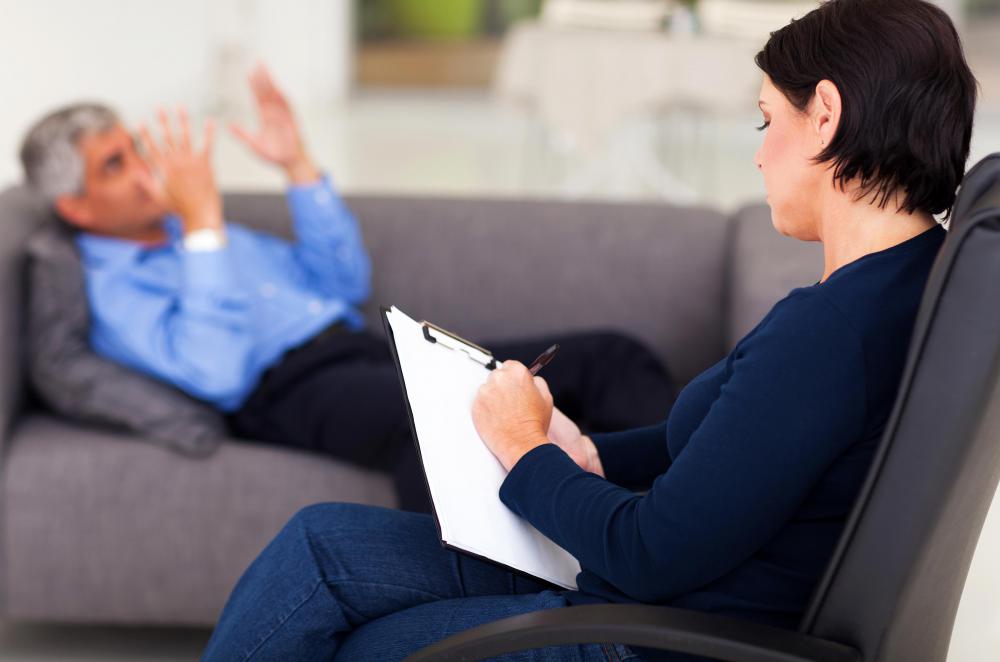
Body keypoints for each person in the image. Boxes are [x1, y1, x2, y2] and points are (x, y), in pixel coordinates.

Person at [204, 0, 978, 658]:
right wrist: (589, 454)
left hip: (653, 631)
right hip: (678, 598)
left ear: (827, 118)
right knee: (319, 543)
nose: (758, 154)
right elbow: (741, 459)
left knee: (355, 640)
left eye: (767, 118)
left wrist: (525, 450)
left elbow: (651, 553)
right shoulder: (912, 280)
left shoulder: (829, 334)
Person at [19, 66, 676, 514]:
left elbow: (341, 282)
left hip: (365, 347)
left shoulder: (192, 229)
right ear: (76, 208)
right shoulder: (108, 286)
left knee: (609, 356)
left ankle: (688, 509)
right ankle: (506, 611)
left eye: (135, 148)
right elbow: (216, 374)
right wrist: (202, 224)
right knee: (445, 424)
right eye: (115, 165)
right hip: (285, 391)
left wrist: (297, 164)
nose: (143, 170)